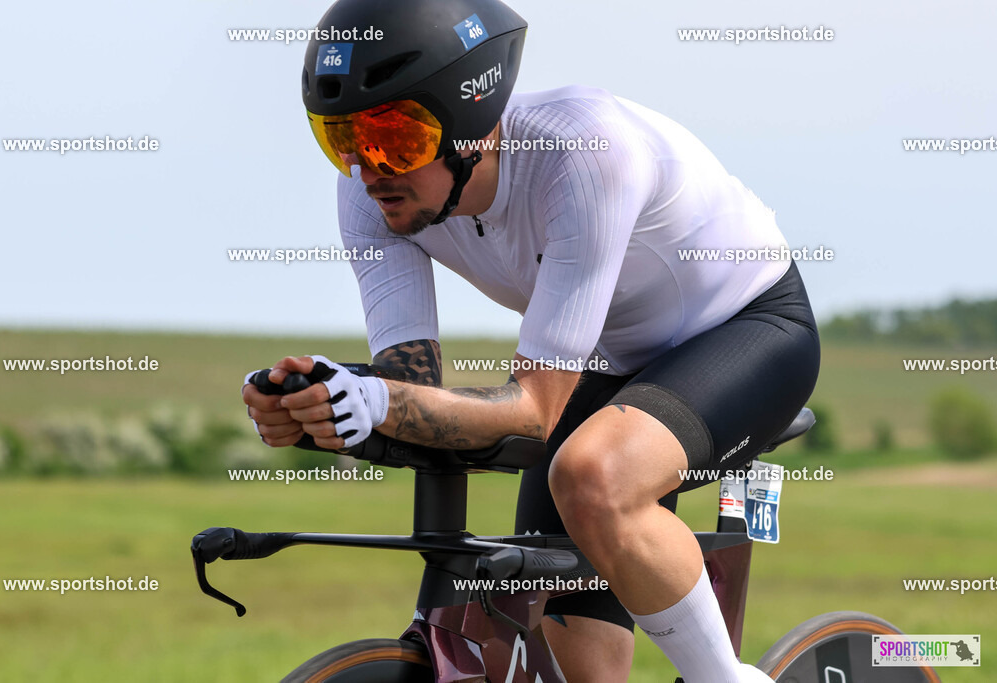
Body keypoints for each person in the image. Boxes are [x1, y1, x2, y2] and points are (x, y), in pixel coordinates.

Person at [242, 1, 819, 681]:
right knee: (574, 643)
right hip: (604, 362)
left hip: (746, 327)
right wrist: (327, 406)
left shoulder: (581, 156)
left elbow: (533, 410)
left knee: (591, 476)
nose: (366, 169)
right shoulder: (370, 196)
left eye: (393, 139)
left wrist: (375, 399)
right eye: (338, 138)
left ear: (470, 125)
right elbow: (414, 392)